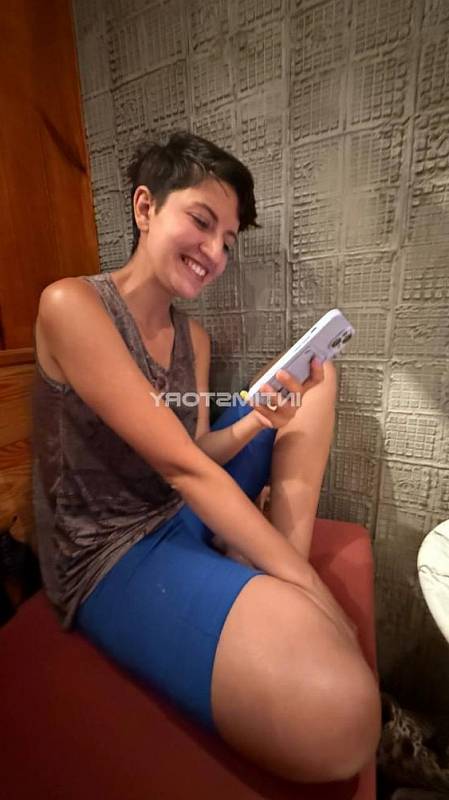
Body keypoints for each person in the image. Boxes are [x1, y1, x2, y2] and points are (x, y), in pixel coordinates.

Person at [32, 131, 380, 782]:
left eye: (227, 240)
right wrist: (315, 596)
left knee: (315, 379)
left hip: (180, 503)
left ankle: (272, 560)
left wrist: (258, 421)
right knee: (345, 719)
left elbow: (194, 451)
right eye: (201, 221)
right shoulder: (72, 307)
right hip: (112, 554)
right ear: (145, 208)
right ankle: (277, 573)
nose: (215, 252)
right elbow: (184, 468)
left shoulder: (192, 338)